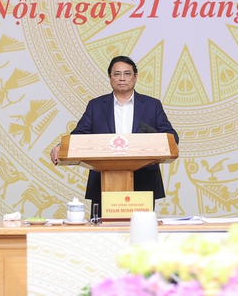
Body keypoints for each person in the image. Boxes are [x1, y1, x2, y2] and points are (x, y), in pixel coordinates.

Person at [50, 55, 179, 211]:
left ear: (136, 77)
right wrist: (61, 147)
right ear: (110, 77)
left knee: (140, 227)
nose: (122, 78)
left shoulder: (152, 105)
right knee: (102, 227)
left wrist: (167, 144)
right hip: (103, 182)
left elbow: (171, 136)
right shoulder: (96, 106)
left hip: (143, 181)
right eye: (117, 74)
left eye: (127, 74)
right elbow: (79, 134)